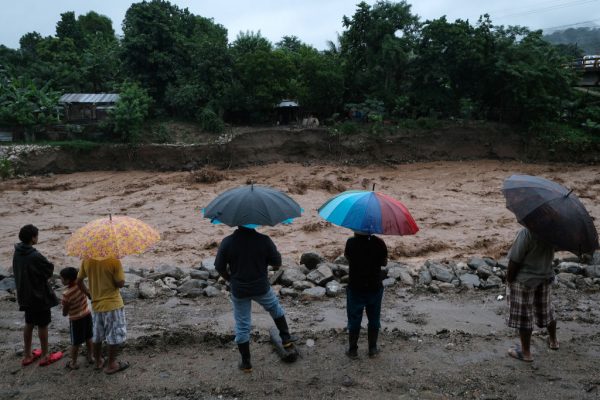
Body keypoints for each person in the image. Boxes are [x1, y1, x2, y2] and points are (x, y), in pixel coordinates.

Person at [215, 226, 296, 373]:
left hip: (239, 289)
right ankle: (286, 340)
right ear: (255, 222)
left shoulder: (227, 242)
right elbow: (277, 262)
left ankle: (246, 363)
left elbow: (219, 266)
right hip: (261, 287)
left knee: (242, 325)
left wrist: (230, 280)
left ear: (236, 223)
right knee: (275, 309)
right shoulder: (264, 240)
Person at [12, 224, 63, 366]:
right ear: (33, 238)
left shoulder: (17, 252)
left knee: (29, 323)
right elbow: (48, 270)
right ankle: (46, 355)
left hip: (25, 295)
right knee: (43, 324)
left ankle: (27, 355)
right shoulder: (34, 255)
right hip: (39, 296)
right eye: (37, 235)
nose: (37, 238)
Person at [506, 227, 558, 362]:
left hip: (525, 280)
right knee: (547, 310)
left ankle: (526, 353)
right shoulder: (553, 233)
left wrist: (509, 279)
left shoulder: (526, 233)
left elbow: (515, 260)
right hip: (545, 277)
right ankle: (553, 341)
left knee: (525, 315)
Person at [76, 258, 129, 374]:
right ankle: (111, 365)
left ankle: (98, 361)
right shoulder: (114, 260)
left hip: (96, 305)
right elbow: (120, 283)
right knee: (114, 334)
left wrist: (88, 293)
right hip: (112, 304)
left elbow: (79, 281)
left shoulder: (87, 259)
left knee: (97, 335)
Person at [344, 231, 388, 358]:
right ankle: (372, 349)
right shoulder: (379, 243)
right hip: (374, 287)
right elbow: (384, 263)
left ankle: (353, 350)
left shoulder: (351, 242)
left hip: (355, 287)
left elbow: (347, 257)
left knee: (354, 319)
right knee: (374, 318)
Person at [60, 267, 94, 369]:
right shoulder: (81, 286)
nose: (61, 280)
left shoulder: (66, 294)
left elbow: (65, 312)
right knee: (89, 337)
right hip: (87, 315)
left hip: (76, 320)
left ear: (68, 280)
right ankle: (91, 357)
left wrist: (64, 313)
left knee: (75, 342)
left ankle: (73, 363)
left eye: (62, 279)